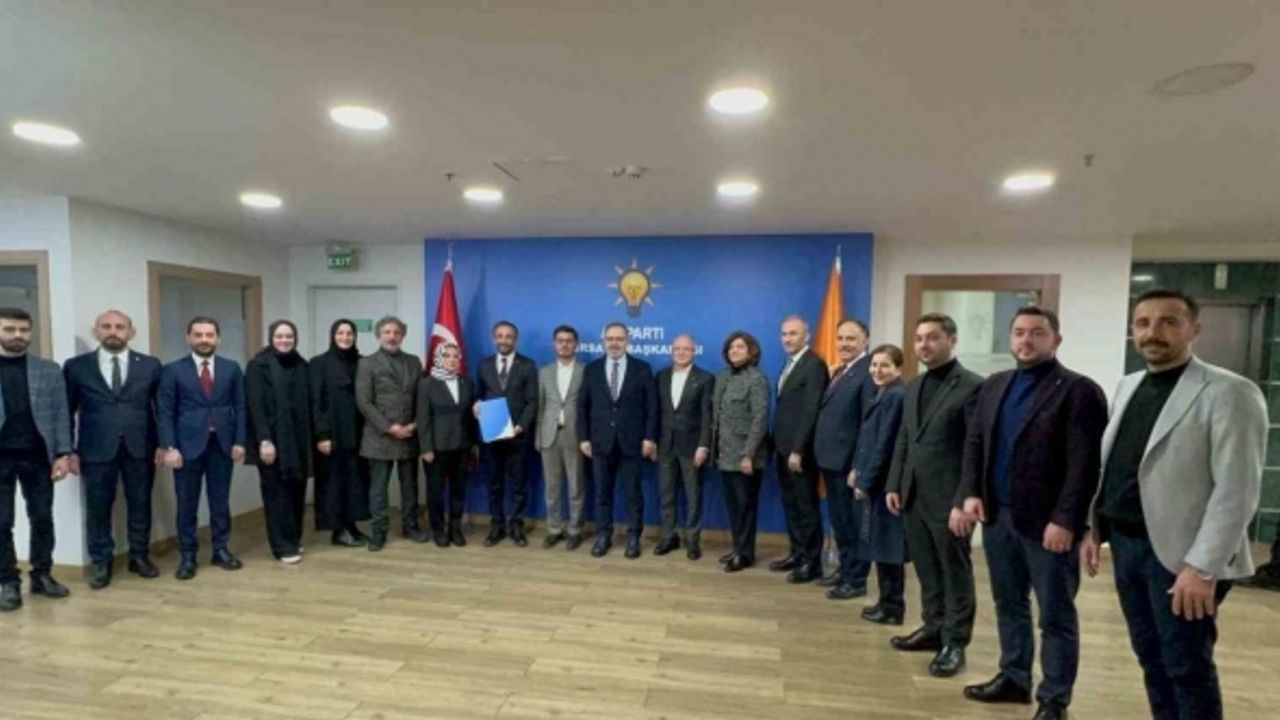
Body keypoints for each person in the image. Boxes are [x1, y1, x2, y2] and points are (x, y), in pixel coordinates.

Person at [1081, 289, 1268, 720]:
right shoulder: (1128, 386)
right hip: (1127, 546)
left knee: (1186, 667)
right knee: (1151, 659)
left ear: (1194, 329)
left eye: (1169, 322)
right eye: (1143, 323)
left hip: (1184, 557)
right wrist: (1095, 527)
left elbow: (1237, 490)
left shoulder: (1229, 392)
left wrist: (1202, 567)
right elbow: (1118, 466)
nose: (1154, 332)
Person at [953, 307, 1108, 720]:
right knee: (1009, 604)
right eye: (1019, 332)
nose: (1026, 340)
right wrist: (970, 492)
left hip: (1048, 525)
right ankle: (1014, 677)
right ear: (1010, 339)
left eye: (1037, 333)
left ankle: (1054, 699)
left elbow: (1084, 465)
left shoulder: (1078, 391)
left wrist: (1067, 520)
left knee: (1055, 615)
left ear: (1056, 339)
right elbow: (975, 443)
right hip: (998, 517)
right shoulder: (994, 386)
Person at [884, 313, 982, 678]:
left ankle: (955, 642)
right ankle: (933, 627)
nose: (924, 345)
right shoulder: (914, 386)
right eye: (919, 338)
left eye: (933, 337)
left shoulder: (973, 386)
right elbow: (905, 438)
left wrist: (965, 499)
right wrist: (895, 483)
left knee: (954, 572)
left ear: (951, 341)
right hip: (913, 494)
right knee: (926, 568)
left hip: (950, 499)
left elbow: (976, 449)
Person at [63, 309, 162, 588]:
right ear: (96, 331)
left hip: (140, 446)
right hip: (95, 448)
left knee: (140, 503)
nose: (113, 332)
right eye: (106, 326)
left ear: (131, 332)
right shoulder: (77, 367)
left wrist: (164, 444)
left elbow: (162, 410)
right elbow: (65, 411)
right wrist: (68, 449)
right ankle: (101, 561)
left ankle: (139, 556)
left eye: (120, 326)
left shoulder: (150, 365)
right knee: (98, 507)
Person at [157, 316, 247, 581]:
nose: (204, 340)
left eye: (209, 335)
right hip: (185, 449)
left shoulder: (231, 368)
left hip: (222, 445)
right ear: (189, 338)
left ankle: (221, 549)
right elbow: (165, 412)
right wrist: (169, 446)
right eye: (198, 335)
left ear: (218, 338)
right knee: (187, 503)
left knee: (220, 501)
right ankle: (188, 556)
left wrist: (240, 441)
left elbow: (241, 407)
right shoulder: (173, 370)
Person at [0, 308, 72, 612]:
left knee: (42, 518)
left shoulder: (48, 370)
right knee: (2, 522)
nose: (18, 335)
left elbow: (61, 414)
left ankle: (42, 574)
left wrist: (63, 453)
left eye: (23, 330)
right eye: (9, 329)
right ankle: (8, 581)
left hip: (38, 455)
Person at [577, 321, 658, 559]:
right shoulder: (591, 369)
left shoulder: (642, 368)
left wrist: (649, 437)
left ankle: (633, 537)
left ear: (627, 341)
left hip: (632, 442)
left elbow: (652, 407)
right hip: (600, 442)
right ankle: (603, 535)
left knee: (633, 494)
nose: (614, 343)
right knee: (602, 494)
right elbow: (582, 407)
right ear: (604, 341)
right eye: (610, 339)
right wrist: (583, 438)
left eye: (619, 339)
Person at [813, 319, 874, 599]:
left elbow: (867, 424)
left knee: (851, 525)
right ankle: (844, 570)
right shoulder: (842, 371)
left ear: (865, 341)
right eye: (840, 338)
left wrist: (858, 466)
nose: (844, 344)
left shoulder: (867, 372)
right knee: (840, 523)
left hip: (848, 465)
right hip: (832, 461)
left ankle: (856, 580)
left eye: (851, 339)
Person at [246, 320, 313, 564]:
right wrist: (264, 440)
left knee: (296, 491)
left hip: (298, 440)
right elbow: (255, 406)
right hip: (271, 441)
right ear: (271, 338)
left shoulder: (302, 365)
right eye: (279, 336)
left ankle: (294, 538)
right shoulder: (258, 366)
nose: (284, 341)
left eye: (289, 336)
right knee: (277, 494)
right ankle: (282, 546)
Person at [849, 343, 908, 625]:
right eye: (874, 365)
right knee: (880, 547)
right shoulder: (881, 392)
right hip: (873, 479)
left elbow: (884, 445)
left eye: (885, 365)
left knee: (888, 549)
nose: (877, 370)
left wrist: (866, 480)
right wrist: (857, 469)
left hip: (884, 485)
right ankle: (885, 602)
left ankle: (893, 607)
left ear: (898, 368)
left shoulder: (896, 396)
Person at [769, 315, 829, 583]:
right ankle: (797, 554)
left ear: (807, 336)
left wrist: (798, 450)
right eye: (784, 334)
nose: (787, 338)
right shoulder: (789, 364)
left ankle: (812, 563)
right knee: (791, 505)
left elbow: (810, 410)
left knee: (806, 508)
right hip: (782, 448)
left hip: (799, 452)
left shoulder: (814, 365)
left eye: (793, 333)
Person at [356, 315, 424, 551]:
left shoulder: (414, 362)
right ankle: (379, 531)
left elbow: (421, 398)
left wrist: (414, 425)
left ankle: (410, 526)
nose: (391, 336)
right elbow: (364, 403)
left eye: (396, 332)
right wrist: (390, 427)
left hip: (409, 435)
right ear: (379, 335)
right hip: (379, 437)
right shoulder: (367, 363)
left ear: (402, 335)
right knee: (378, 490)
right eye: (387, 332)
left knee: (410, 486)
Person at [473, 320, 538, 547]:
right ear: (494, 338)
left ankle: (517, 526)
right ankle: (496, 526)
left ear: (515, 340)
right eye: (500, 336)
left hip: (518, 436)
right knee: (494, 483)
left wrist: (522, 425)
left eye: (508, 336)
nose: (504, 340)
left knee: (518, 484)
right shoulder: (484, 365)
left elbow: (532, 401)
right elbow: (478, 396)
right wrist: (476, 406)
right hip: (491, 436)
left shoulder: (527, 365)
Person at [310, 319, 370, 547]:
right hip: (332, 436)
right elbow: (316, 402)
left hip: (359, 435)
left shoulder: (362, 362)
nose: (345, 337)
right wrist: (322, 435)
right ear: (332, 336)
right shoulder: (319, 363)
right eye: (340, 333)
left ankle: (351, 526)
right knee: (334, 484)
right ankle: (338, 531)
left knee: (355, 483)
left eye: (349, 333)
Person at [712, 331, 769, 573]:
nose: (734, 351)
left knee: (746, 507)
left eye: (740, 347)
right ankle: (738, 547)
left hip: (746, 456)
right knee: (734, 507)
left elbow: (760, 419)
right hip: (725, 453)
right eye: (731, 347)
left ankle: (745, 554)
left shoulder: (756, 378)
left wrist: (748, 454)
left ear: (751, 351)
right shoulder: (722, 376)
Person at [654, 333, 714, 560]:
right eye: (677, 348)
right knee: (666, 494)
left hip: (692, 446)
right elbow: (655, 411)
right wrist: (652, 440)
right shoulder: (661, 376)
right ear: (671, 351)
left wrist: (703, 445)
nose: (681, 352)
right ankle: (669, 536)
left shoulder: (705, 378)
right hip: (665, 445)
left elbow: (707, 416)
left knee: (693, 495)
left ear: (694, 351)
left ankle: (692, 540)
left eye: (686, 349)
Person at [417, 342, 478, 547]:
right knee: (435, 492)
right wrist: (426, 448)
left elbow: (471, 415)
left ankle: (455, 529)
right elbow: (423, 418)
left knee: (458, 490)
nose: (452, 360)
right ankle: (438, 530)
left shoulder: (467, 383)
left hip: (462, 446)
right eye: (447, 356)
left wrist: (473, 442)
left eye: (455, 356)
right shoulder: (427, 383)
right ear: (439, 358)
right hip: (436, 448)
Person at [536, 324, 586, 550]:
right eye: (560, 341)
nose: (564, 344)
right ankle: (554, 529)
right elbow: (540, 406)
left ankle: (575, 530)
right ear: (554, 344)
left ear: (576, 344)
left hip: (575, 435)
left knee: (576, 487)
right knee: (552, 488)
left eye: (569, 341)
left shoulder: (585, 371)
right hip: (549, 436)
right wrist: (538, 437)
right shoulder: (544, 372)